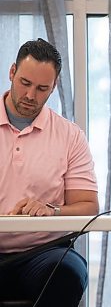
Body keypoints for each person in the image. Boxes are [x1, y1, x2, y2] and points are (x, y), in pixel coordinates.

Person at [0, 38, 99, 306]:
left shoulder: (70, 135)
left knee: (67, 273)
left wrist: (52, 210)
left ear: (54, 87)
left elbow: (88, 206)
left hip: (46, 253)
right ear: (12, 72)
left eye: (42, 88)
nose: (31, 95)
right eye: (25, 83)